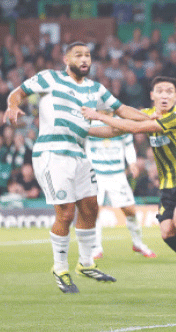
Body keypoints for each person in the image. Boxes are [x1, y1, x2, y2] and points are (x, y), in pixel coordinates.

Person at [3, 41, 150, 293]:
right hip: (51, 153)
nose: (84, 59)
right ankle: (60, 268)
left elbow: (121, 109)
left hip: (79, 154)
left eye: (88, 55)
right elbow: (18, 91)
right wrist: (12, 105)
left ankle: (85, 263)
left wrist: (151, 117)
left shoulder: (95, 89)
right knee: (65, 213)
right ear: (65, 59)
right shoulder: (50, 78)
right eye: (78, 55)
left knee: (90, 207)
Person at [82, 76, 176, 293]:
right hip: (168, 185)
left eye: (170, 91)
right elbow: (115, 130)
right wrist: (82, 130)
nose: (165, 95)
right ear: (152, 95)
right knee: (167, 232)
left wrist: (98, 116)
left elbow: (135, 128)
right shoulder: (147, 114)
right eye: (160, 91)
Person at [85, 123, 156, 260]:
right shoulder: (89, 123)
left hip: (117, 174)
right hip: (96, 174)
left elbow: (128, 145)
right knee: (94, 211)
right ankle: (96, 248)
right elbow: (84, 144)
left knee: (130, 211)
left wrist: (132, 162)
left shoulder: (120, 123)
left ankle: (138, 243)